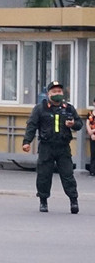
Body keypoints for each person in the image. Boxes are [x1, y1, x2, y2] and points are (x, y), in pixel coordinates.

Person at [22, 80, 82, 213]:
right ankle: (43, 201)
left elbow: (79, 123)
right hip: (46, 147)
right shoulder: (40, 108)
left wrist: (73, 124)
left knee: (68, 175)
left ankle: (73, 201)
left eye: (59, 91)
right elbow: (32, 126)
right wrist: (27, 142)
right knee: (44, 175)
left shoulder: (69, 108)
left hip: (63, 147)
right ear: (48, 94)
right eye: (54, 91)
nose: (57, 94)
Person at [87, 108, 95, 176]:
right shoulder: (90, 113)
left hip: (93, 131)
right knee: (93, 153)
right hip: (92, 136)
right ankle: (92, 170)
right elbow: (87, 124)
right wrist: (91, 133)